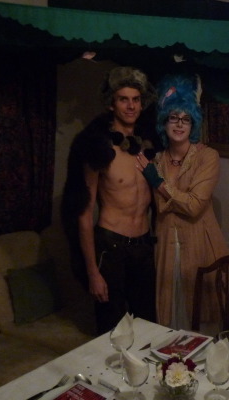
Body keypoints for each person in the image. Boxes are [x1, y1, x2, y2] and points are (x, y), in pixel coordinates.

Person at [61, 66, 159, 334]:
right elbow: (83, 213)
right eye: (123, 99)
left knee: (147, 327)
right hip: (111, 246)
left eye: (136, 99)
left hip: (143, 245)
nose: (131, 106)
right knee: (111, 331)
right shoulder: (98, 148)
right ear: (111, 104)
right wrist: (92, 272)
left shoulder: (147, 146)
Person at [136, 73, 229, 331]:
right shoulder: (156, 160)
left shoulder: (208, 157)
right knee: (169, 318)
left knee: (202, 318)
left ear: (193, 123)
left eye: (186, 118)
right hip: (166, 248)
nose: (179, 124)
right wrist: (174, 195)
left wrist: (160, 184)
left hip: (201, 246)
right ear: (164, 121)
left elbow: (195, 205)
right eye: (173, 117)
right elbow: (161, 207)